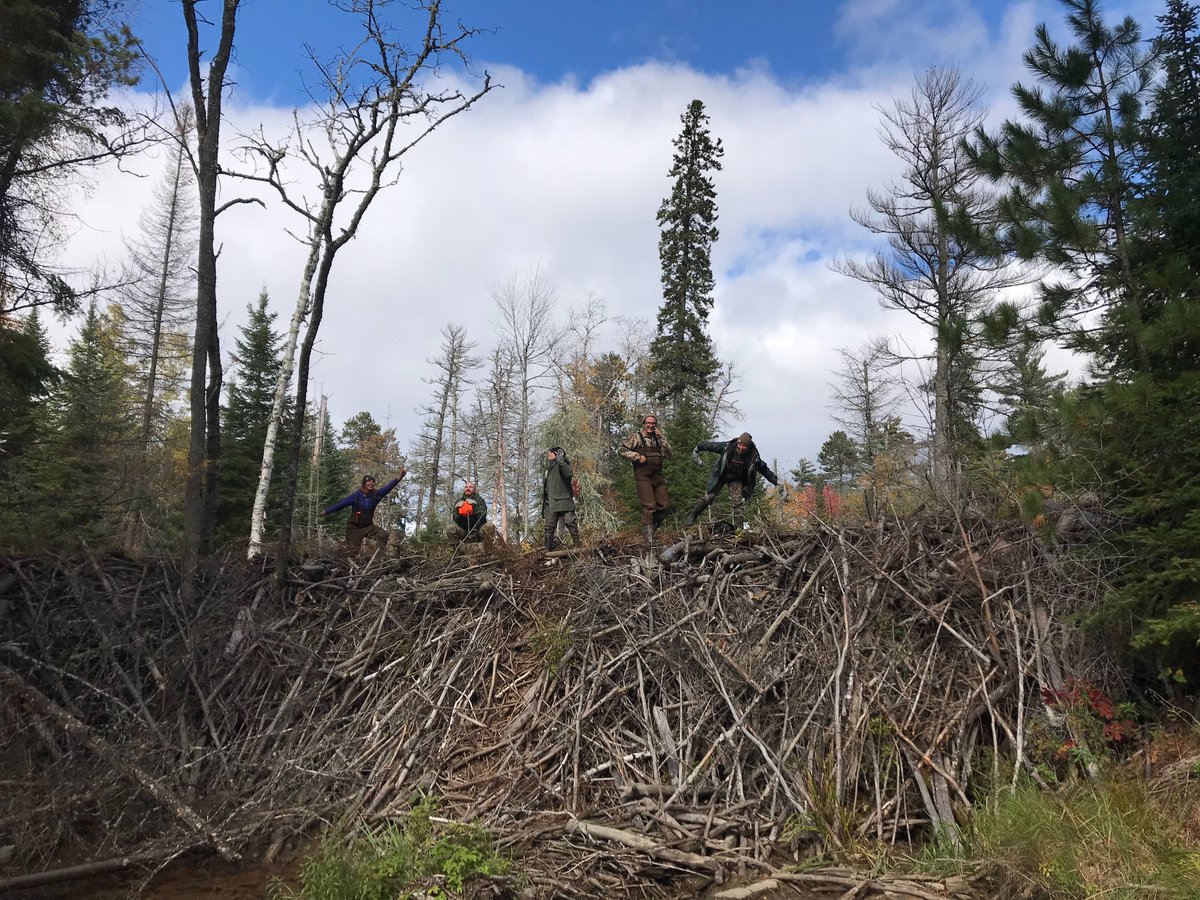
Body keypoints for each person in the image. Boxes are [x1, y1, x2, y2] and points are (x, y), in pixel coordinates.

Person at [685, 432, 780, 530]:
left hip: (736, 479)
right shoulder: (727, 447)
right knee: (709, 497)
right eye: (740, 444)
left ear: (748, 447)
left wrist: (776, 482)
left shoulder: (753, 456)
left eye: (744, 446)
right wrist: (697, 448)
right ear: (737, 443)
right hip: (721, 475)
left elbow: (764, 469)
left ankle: (739, 530)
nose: (741, 447)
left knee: (737, 504)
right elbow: (711, 445)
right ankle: (692, 517)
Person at [320, 471, 406, 556]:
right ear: (364, 483)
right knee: (352, 553)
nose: (371, 483)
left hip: (368, 526)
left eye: (373, 482)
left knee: (383, 534)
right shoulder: (356, 496)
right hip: (354, 528)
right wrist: (326, 512)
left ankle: (378, 557)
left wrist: (399, 478)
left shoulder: (375, 496)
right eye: (369, 481)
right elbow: (341, 504)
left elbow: (387, 488)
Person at [620, 414, 672, 546]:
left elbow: (669, 454)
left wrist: (662, 438)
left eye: (653, 423)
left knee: (665, 506)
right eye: (648, 423)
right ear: (644, 424)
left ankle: (652, 527)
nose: (651, 425)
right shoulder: (636, 437)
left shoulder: (659, 439)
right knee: (649, 506)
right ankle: (647, 538)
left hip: (658, 476)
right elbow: (621, 450)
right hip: (643, 477)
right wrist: (637, 456)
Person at [541, 447, 580, 551]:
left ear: (556, 454)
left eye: (550, 453)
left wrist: (559, 459)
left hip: (564, 501)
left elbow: (569, 473)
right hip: (551, 502)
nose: (548, 455)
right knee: (549, 527)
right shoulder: (549, 467)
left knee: (570, 523)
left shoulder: (563, 464)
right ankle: (548, 550)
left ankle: (578, 548)